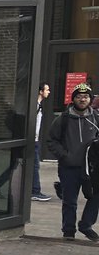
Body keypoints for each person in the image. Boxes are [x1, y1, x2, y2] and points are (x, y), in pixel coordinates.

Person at [46, 82, 99, 241]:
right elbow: (51, 140)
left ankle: (86, 225)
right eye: (78, 97)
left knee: (95, 196)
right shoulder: (64, 118)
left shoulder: (96, 118)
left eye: (85, 97)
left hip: (91, 168)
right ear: (73, 99)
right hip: (69, 167)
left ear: (90, 99)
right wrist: (64, 155)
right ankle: (68, 231)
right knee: (70, 201)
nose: (82, 100)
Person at [32, 83, 53, 202]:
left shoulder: (39, 105)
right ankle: (35, 191)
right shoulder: (35, 105)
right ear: (40, 91)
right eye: (47, 89)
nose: (48, 92)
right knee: (35, 166)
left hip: (35, 139)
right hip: (32, 140)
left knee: (16, 165)